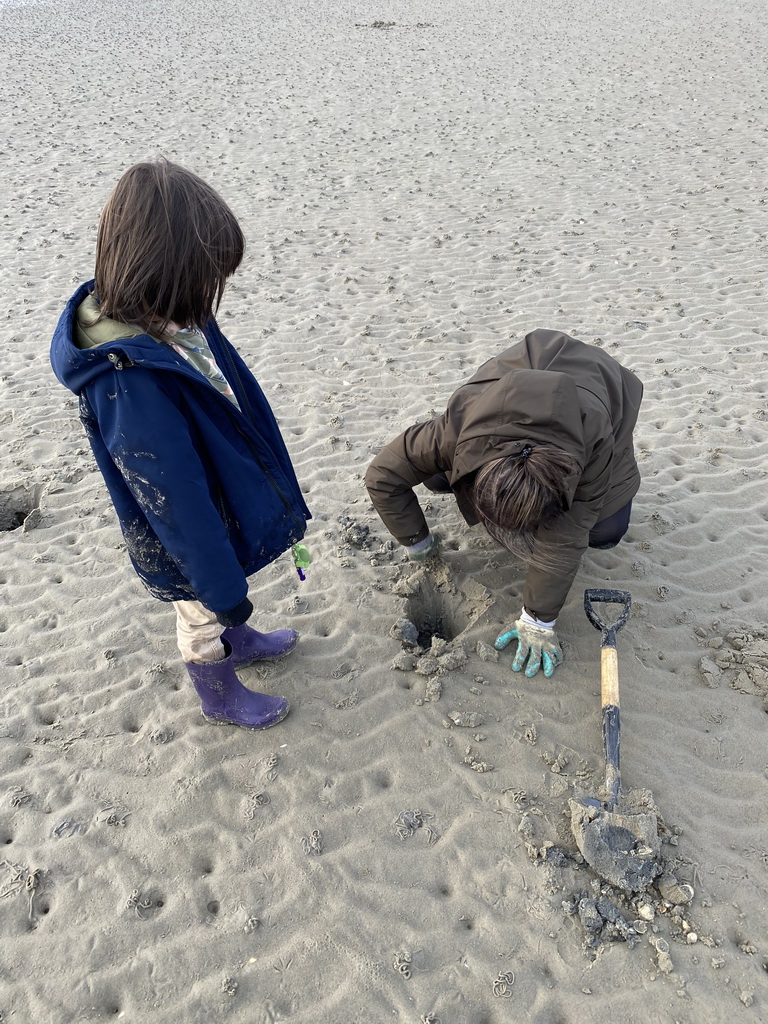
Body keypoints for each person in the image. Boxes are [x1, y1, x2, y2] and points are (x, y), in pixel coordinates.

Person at [50, 160, 310, 729]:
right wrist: (221, 589)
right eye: (204, 279)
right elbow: (173, 500)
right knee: (200, 606)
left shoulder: (174, 315)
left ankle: (237, 635)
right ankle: (217, 690)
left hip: (211, 478)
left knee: (223, 589)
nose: (211, 294)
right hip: (182, 523)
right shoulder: (128, 378)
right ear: (162, 272)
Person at [365, 331, 643, 678]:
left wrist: (538, 619)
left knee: (604, 530)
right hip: (505, 391)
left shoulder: (593, 443)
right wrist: (417, 543)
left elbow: (565, 539)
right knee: (438, 476)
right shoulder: (462, 423)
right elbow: (383, 474)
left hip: (601, 393)